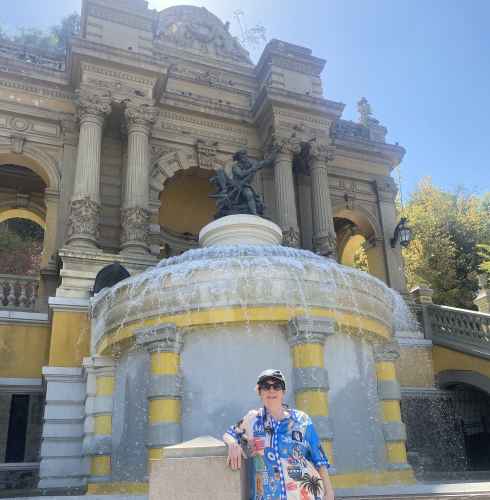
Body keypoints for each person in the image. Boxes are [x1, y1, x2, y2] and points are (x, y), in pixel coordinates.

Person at [223, 369, 335, 500]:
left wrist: (329, 491)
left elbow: (319, 458)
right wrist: (232, 444)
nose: (271, 390)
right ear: (259, 392)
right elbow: (230, 434)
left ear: (283, 392)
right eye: (266, 387)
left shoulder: (302, 420)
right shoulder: (252, 419)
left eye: (276, 386)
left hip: (305, 495)